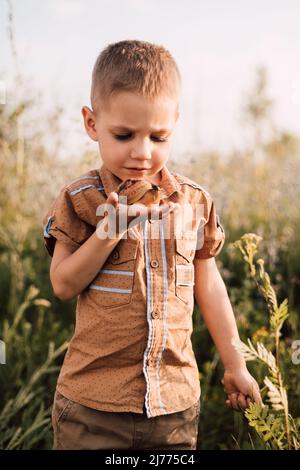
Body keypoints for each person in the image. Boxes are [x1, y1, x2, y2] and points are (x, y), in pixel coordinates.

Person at [43, 39, 262, 451]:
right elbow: (62, 284)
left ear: (176, 122)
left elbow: (210, 288)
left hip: (174, 409)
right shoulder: (82, 198)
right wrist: (109, 233)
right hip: (93, 410)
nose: (142, 152)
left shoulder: (193, 202)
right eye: (123, 135)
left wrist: (235, 364)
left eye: (159, 136)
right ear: (92, 123)